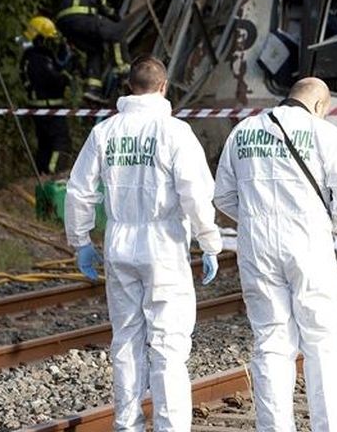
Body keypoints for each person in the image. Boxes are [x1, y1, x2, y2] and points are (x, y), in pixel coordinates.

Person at [65, 56, 222, 432]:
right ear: (164, 87)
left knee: (126, 341)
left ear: (129, 87)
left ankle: (127, 425)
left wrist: (81, 240)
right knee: (168, 346)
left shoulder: (105, 132)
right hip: (164, 246)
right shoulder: (174, 132)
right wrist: (209, 239)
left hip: (120, 244)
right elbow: (195, 193)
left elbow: (79, 191)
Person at [213, 77, 337, 432]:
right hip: (308, 241)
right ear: (320, 106)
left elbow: (223, 196)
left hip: (257, 246)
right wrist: (332, 224)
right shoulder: (322, 132)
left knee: (270, 340)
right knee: (323, 340)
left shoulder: (243, 132)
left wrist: (254, 218)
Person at [56, 0, 142, 104]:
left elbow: (103, 7)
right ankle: (125, 75)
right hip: (80, 17)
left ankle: (92, 89)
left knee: (95, 49)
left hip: (66, 23)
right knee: (117, 32)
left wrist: (114, 16)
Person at [18, 16, 72, 175]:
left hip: (40, 108)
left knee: (45, 144)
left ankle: (41, 173)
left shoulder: (29, 57)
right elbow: (53, 80)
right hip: (49, 108)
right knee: (61, 143)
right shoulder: (38, 59)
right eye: (49, 39)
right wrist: (66, 75)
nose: (51, 43)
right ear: (40, 38)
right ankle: (54, 173)